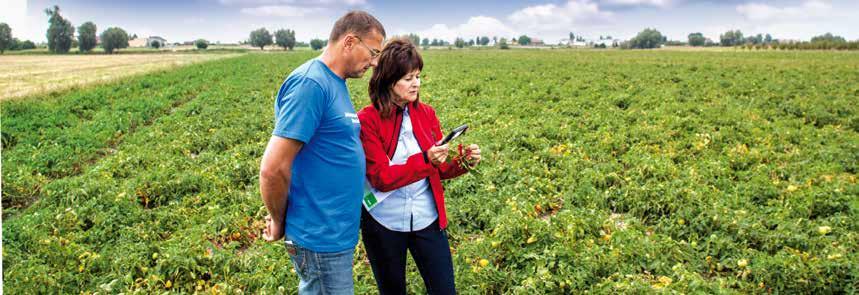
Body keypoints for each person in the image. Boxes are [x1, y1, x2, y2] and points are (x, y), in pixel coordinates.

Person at [257, 11, 385, 295]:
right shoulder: (311, 84)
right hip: (319, 236)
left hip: (334, 234)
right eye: (373, 52)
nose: (375, 62)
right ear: (350, 42)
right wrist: (279, 219)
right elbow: (273, 168)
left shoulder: (334, 82)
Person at [357, 38, 482, 295]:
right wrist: (426, 159)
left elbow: (440, 167)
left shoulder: (427, 114)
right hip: (384, 222)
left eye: (418, 76)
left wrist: (462, 162)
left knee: (445, 289)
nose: (416, 83)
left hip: (427, 217)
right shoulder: (367, 120)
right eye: (407, 78)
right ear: (388, 80)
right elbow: (381, 177)